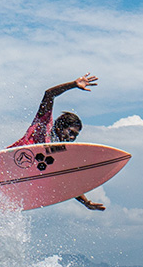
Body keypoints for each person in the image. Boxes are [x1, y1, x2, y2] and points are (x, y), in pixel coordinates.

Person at [9, 73, 105, 211]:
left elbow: (65, 180)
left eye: (75, 135)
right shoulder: (44, 126)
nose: (72, 138)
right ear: (59, 127)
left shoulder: (58, 153)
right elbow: (49, 94)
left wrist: (86, 202)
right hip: (12, 159)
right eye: (71, 132)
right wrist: (73, 84)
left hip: (22, 174)